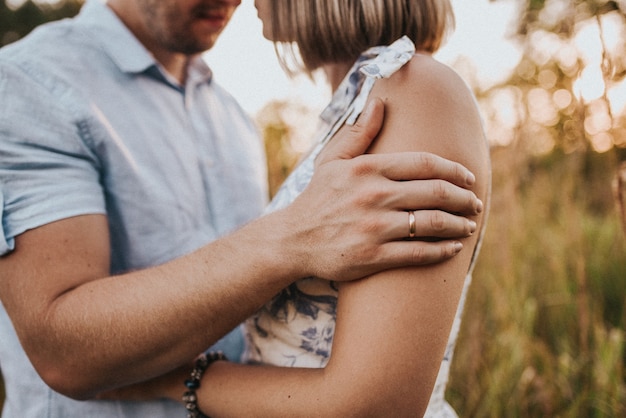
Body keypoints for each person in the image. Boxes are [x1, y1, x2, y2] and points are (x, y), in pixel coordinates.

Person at [0, 0, 484, 416]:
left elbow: (373, 397)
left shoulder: (235, 117)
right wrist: (294, 236)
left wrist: (187, 380)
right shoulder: (30, 83)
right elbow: (62, 353)